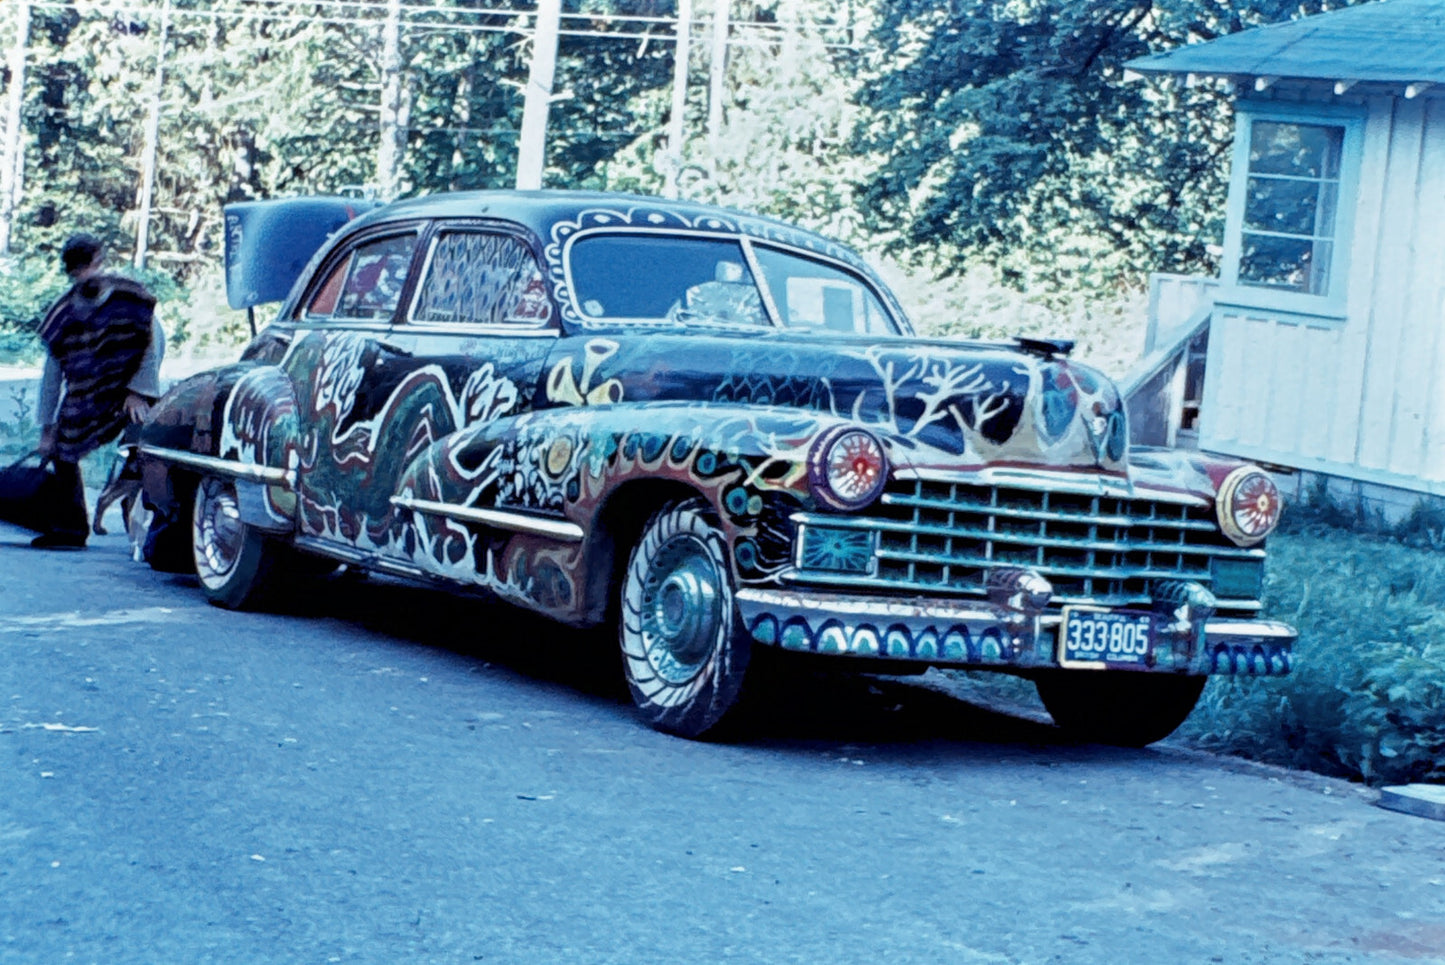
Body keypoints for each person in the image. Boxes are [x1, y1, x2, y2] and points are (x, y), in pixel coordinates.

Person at [32, 233, 164, 549]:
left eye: (89, 267)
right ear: (71, 272)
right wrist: (47, 429)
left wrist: (138, 391)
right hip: (88, 394)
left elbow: (153, 343)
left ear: (100, 263)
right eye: (78, 272)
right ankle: (71, 530)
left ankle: (161, 535)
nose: (86, 276)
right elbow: (51, 376)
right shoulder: (63, 312)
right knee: (62, 450)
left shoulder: (132, 298)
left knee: (150, 450)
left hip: (132, 389)